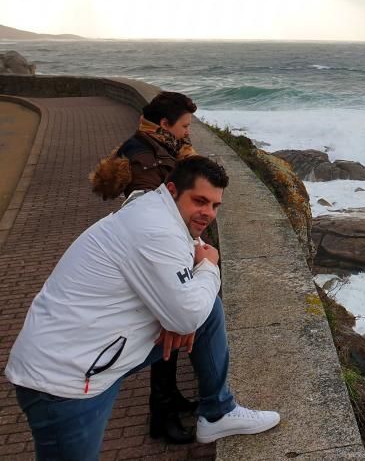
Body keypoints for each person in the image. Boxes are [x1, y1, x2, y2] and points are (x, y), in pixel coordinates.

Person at [5, 156, 280, 460]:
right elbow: (188, 307)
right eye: (200, 201)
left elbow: (188, 271)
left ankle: (217, 413)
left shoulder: (153, 207)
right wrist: (208, 268)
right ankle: (216, 411)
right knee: (196, 309)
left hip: (94, 355)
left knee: (207, 311)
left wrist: (180, 318)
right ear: (172, 190)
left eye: (215, 205)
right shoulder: (156, 230)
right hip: (63, 380)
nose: (208, 214)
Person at [89, 91, 202, 443]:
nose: (188, 133)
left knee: (168, 336)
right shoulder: (143, 157)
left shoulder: (157, 144)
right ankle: (161, 417)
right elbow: (149, 216)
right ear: (165, 124)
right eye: (184, 126)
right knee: (165, 334)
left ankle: (169, 400)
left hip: (164, 249)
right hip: (155, 256)